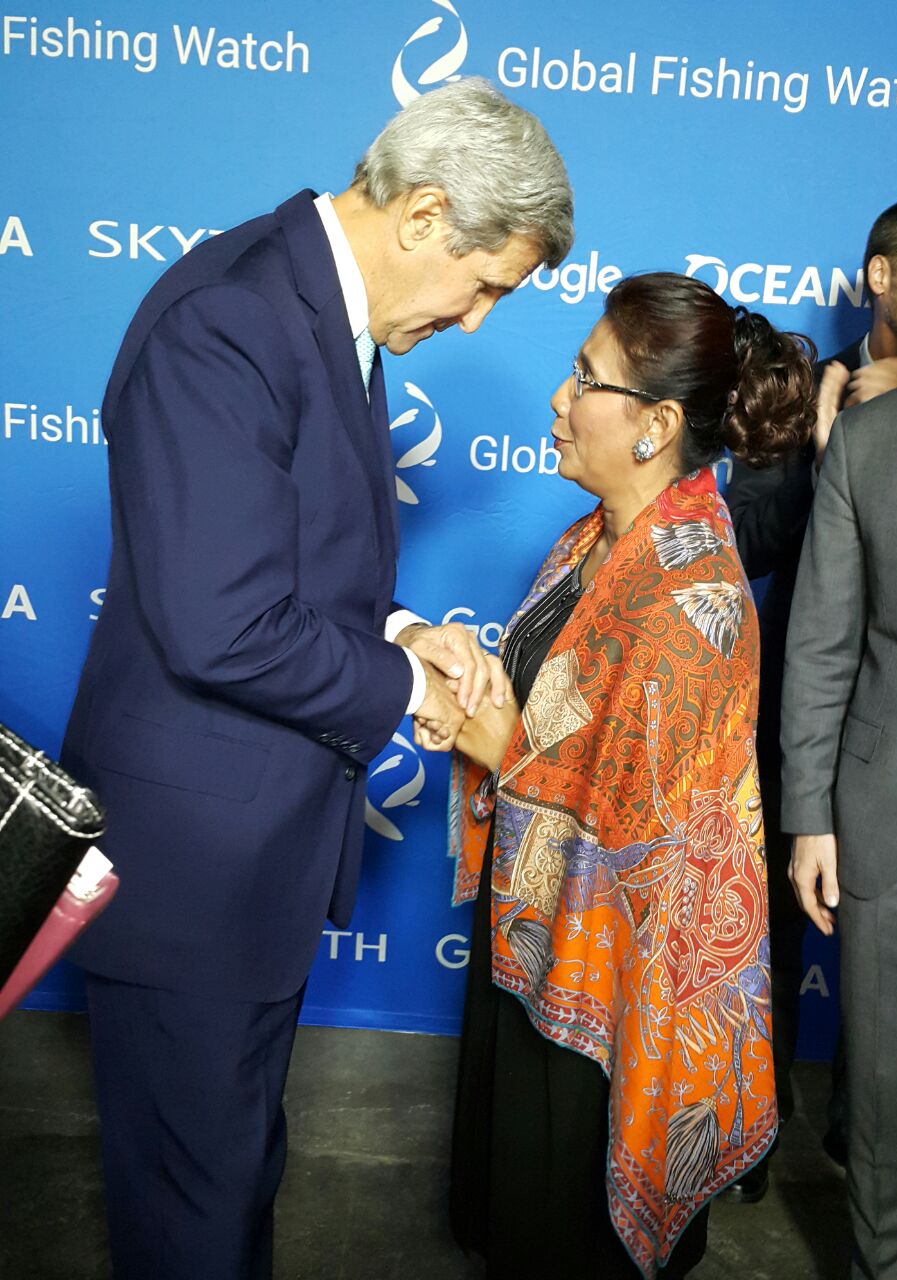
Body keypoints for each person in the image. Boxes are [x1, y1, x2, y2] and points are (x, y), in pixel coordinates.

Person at [58, 79, 572, 1280]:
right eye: (489, 281)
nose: (482, 319)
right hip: (193, 870)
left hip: (247, 864)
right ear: (427, 213)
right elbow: (221, 623)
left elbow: (281, 547)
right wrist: (409, 689)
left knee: (231, 1177)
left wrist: (400, 623)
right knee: (196, 1214)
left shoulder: (323, 307)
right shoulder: (234, 316)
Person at [441, 272, 816, 1278]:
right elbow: (560, 718)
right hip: (536, 955)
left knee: (565, 1240)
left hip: (609, 1004)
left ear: (654, 424)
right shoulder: (594, 538)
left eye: (584, 378)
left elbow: (636, 830)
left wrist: (497, 743)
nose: (558, 400)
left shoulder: (696, 596)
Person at [725, 194, 897, 1187]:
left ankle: (858, 1135)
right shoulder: (818, 392)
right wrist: (831, 457)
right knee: (788, 929)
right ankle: (760, 1128)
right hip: (818, 727)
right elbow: (758, 545)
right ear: (880, 278)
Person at [781, 253, 897, 1277]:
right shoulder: (870, 438)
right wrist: (810, 813)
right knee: (888, 1106)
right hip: (896, 825)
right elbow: (820, 645)